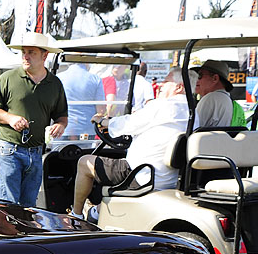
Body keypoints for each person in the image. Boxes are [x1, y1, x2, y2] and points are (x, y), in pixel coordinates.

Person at [69, 68, 196, 219]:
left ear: (179, 86)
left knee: (84, 162)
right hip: (169, 177)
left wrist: (102, 121)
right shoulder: (192, 111)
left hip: (142, 175)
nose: (160, 85)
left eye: (166, 81)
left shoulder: (163, 106)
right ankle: (97, 212)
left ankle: (76, 215)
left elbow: (128, 124)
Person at [0, 32, 68, 207]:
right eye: (24, 52)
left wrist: (60, 125)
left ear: (45, 56)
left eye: (31, 52)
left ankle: (22, 235)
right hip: (8, 149)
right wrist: (9, 118)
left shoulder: (55, 84)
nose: (26, 56)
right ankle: (8, 235)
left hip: (36, 152)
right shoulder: (8, 78)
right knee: (9, 207)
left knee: (29, 208)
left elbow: (61, 116)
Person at [59, 63, 104, 138]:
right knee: (87, 150)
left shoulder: (59, 78)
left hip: (64, 128)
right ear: (86, 62)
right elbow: (101, 109)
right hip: (87, 130)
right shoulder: (95, 79)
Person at [192, 60, 235, 128]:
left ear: (215, 78)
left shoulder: (211, 98)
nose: (196, 79)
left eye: (199, 75)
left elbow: (193, 128)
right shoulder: (225, 98)